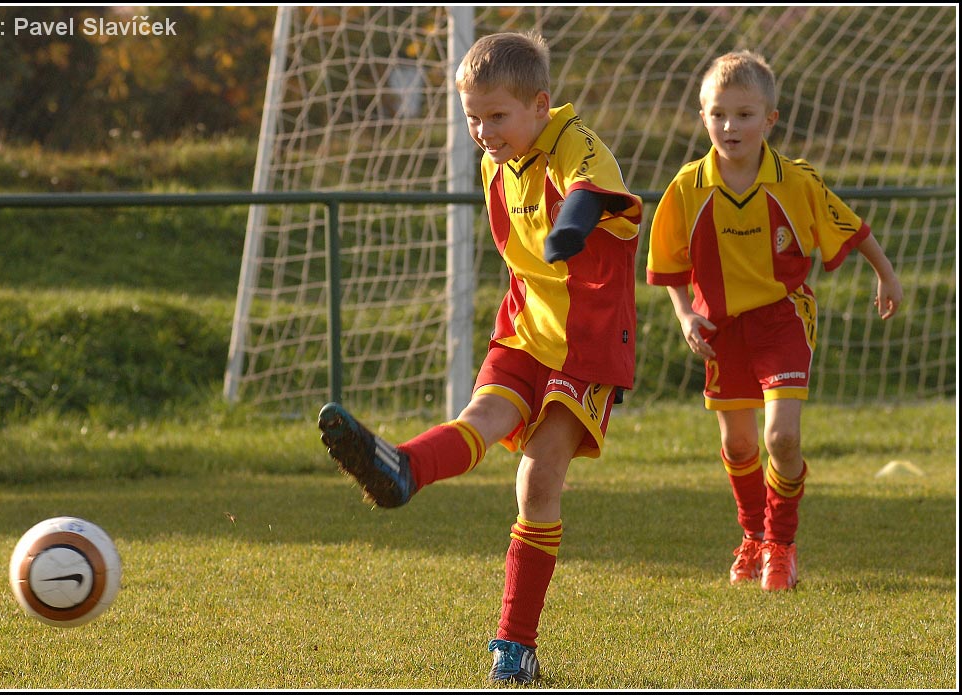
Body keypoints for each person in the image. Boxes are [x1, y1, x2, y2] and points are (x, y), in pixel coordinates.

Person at [318, 31, 642, 684]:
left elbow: (588, 190)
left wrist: (571, 227)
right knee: (482, 418)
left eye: (497, 116)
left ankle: (515, 645)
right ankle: (403, 469)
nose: (484, 132)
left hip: (586, 346)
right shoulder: (500, 158)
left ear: (540, 105)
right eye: (473, 117)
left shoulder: (574, 141)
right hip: (523, 330)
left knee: (537, 478)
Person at [646, 49, 903, 592]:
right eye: (719, 114)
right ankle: (753, 537)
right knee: (741, 446)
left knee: (781, 438)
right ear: (702, 117)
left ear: (769, 119)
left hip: (782, 320)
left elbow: (852, 228)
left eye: (744, 115)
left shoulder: (795, 181)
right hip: (721, 329)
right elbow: (668, 265)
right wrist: (686, 313)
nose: (730, 126)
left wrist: (886, 274)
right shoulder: (687, 187)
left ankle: (781, 546)